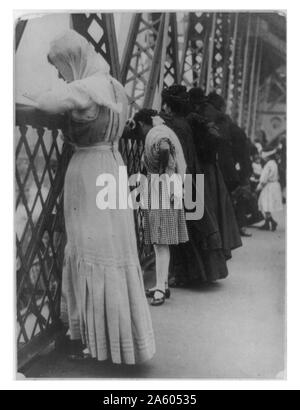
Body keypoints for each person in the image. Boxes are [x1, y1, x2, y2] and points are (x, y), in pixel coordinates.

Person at [32, 30, 155, 365]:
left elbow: (46, 103)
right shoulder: (113, 85)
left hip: (88, 169)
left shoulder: (86, 88)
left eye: (61, 67)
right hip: (112, 164)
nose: (60, 75)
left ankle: (95, 343)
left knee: (91, 249)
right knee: (114, 247)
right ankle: (121, 342)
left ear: (72, 60)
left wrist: (61, 88)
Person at [160, 85, 230, 285]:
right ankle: (198, 273)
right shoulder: (186, 123)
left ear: (169, 105)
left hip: (182, 179)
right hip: (193, 175)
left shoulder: (173, 126)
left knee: (184, 227)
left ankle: (184, 275)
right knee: (194, 224)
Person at [129, 109, 189, 305]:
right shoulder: (162, 130)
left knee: (160, 241)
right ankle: (161, 283)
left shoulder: (156, 134)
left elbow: (164, 148)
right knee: (160, 241)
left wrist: (162, 172)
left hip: (161, 188)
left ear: (142, 124)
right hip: (167, 186)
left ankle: (160, 290)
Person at [257, 148, 283, 231]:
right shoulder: (274, 163)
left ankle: (270, 222)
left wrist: (258, 187)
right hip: (274, 185)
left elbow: (263, 179)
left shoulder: (268, 164)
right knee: (267, 205)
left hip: (269, 186)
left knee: (264, 204)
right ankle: (268, 223)